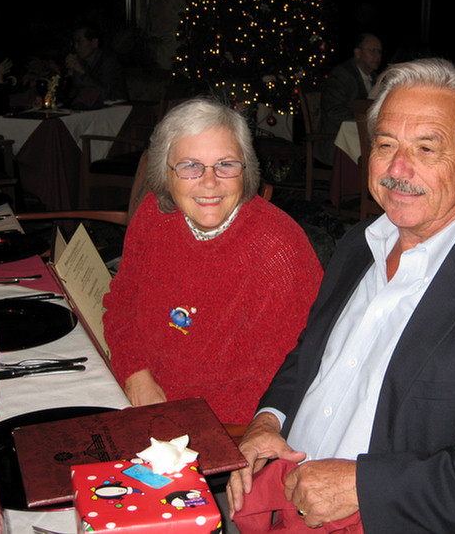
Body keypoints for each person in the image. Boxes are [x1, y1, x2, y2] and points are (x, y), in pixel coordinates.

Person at [226, 58, 455, 533]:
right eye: (385, 145)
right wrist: (269, 421)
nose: (398, 168)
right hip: (276, 495)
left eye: (426, 147)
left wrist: (363, 486)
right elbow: (309, 357)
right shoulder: (360, 244)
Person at [102, 97, 323, 425]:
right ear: (166, 172)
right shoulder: (153, 215)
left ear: (246, 169)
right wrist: (137, 377)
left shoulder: (278, 253)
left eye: (226, 164)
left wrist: (172, 418)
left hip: (218, 429)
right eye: (190, 165)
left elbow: (275, 386)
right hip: (135, 395)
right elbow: (120, 308)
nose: (209, 181)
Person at [315, 33, 383, 165]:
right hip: (336, 141)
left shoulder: (376, 78)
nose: (377, 56)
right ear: (358, 53)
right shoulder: (342, 75)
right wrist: (362, 119)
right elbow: (333, 111)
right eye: (372, 51)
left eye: (379, 51)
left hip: (362, 137)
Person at [65, 22, 129, 106]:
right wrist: (71, 74)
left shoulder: (109, 61)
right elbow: (72, 95)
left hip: (116, 110)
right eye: (74, 43)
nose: (76, 47)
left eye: (80, 42)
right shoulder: (82, 62)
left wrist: (82, 72)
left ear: (94, 42)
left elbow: (104, 93)